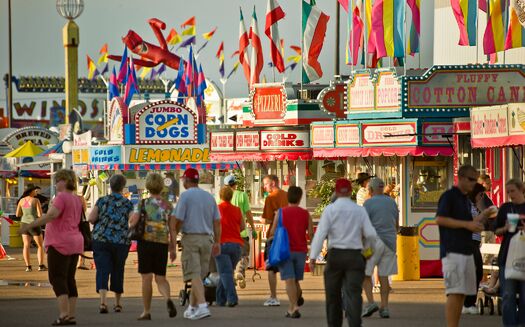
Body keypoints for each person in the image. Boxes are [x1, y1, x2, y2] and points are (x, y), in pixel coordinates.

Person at [19, 169, 83, 326]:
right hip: (75, 242)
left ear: (65, 181)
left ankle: (63, 315)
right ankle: (71, 315)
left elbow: (51, 215)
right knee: (69, 279)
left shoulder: (61, 198)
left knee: (57, 278)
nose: (56, 183)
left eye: (58, 180)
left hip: (60, 243)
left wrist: (30, 225)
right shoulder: (76, 199)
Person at [310, 178, 377, 327]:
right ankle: (354, 323)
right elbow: (371, 235)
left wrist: (313, 257)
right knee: (354, 293)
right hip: (355, 256)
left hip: (335, 256)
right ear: (351, 192)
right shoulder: (359, 210)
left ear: (336, 192)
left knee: (333, 295)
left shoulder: (330, 210)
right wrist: (368, 252)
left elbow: (320, 234)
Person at [435, 164, 493, 327]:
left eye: (475, 180)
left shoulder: (465, 199)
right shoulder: (450, 196)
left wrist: (483, 217)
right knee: (454, 292)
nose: (474, 183)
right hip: (452, 250)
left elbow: (469, 223)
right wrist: (467, 225)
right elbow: (440, 219)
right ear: (460, 178)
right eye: (471, 179)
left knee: (461, 293)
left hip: (466, 250)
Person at [173, 168, 221, 320]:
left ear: (186, 181)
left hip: (191, 238)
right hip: (207, 239)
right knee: (199, 275)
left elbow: (179, 219)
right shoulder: (209, 197)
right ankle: (192, 307)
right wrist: (218, 242)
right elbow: (217, 221)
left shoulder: (185, 196)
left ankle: (202, 306)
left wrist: (174, 236)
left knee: (193, 274)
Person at [129, 173, 177, 320]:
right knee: (161, 278)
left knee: (146, 278)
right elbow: (173, 228)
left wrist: (130, 219)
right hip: (162, 243)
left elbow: (133, 221)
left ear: (148, 186)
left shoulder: (142, 203)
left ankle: (146, 311)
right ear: (161, 186)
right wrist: (173, 247)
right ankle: (167, 298)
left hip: (145, 242)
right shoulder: (167, 205)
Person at [88, 174, 133, 314]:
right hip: (121, 241)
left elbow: (91, 218)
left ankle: (103, 302)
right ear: (123, 187)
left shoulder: (102, 201)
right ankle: (118, 303)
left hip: (101, 240)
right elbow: (132, 221)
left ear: (110, 186)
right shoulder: (127, 203)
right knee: (118, 270)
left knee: (102, 269)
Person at [270, 186, 313, 319]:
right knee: (295, 280)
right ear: (300, 198)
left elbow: (272, 231)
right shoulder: (306, 214)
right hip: (301, 251)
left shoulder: (281, 212)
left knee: (289, 280)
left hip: (285, 250)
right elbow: (311, 233)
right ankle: (293, 305)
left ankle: (293, 307)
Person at [362, 178, 399, 319]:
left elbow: (363, 225)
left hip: (372, 245)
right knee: (384, 276)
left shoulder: (368, 203)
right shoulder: (392, 203)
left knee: (365, 273)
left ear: (371, 190)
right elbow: (396, 225)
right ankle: (385, 307)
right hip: (390, 244)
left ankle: (371, 302)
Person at [494, 179, 525, 326]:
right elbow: (496, 230)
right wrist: (505, 228)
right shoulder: (506, 208)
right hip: (507, 257)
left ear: (521, 190)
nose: (510, 194)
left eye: (513, 190)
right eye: (508, 192)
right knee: (508, 295)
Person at [223, 174, 257, 288]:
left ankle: (233, 277)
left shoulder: (219, 198)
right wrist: (253, 228)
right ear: (235, 184)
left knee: (228, 258)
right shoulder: (242, 195)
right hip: (241, 233)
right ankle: (240, 271)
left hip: (225, 234)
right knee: (243, 256)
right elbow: (248, 213)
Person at [215, 186, 245, 307]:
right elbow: (242, 227)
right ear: (231, 196)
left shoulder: (217, 209)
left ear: (220, 196)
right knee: (227, 271)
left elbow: (213, 225)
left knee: (225, 273)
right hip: (236, 245)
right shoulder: (237, 210)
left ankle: (232, 298)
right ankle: (220, 299)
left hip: (222, 244)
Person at [261, 174, 288, 307]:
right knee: (288, 265)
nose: (264, 187)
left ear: (272, 183)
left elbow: (268, 219)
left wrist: (262, 220)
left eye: (265, 184)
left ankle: (273, 296)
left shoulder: (270, 198)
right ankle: (296, 293)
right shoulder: (286, 195)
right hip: (288, 235)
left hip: (274, 235)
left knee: (271, 267)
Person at [462, 183, 489, 315]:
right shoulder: (466, 204)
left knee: (476, 272)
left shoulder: (473, 205)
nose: (482, 197)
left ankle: (468, 302)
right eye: (480, 194)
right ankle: (468, 303)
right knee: (475, 271)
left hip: (475, 241)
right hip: (468, 241)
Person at [16, 184, 45, 272]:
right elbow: (40, 215)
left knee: (26, 245)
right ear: (31, 191)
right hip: (34, 224)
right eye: (35, 190)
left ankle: (28, 267)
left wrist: (26, 213)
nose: (36, 192)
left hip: (24, 224)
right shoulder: (36, 200)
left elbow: (17, 214)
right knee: (40, 246)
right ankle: (40, 265)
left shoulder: (21, 200)